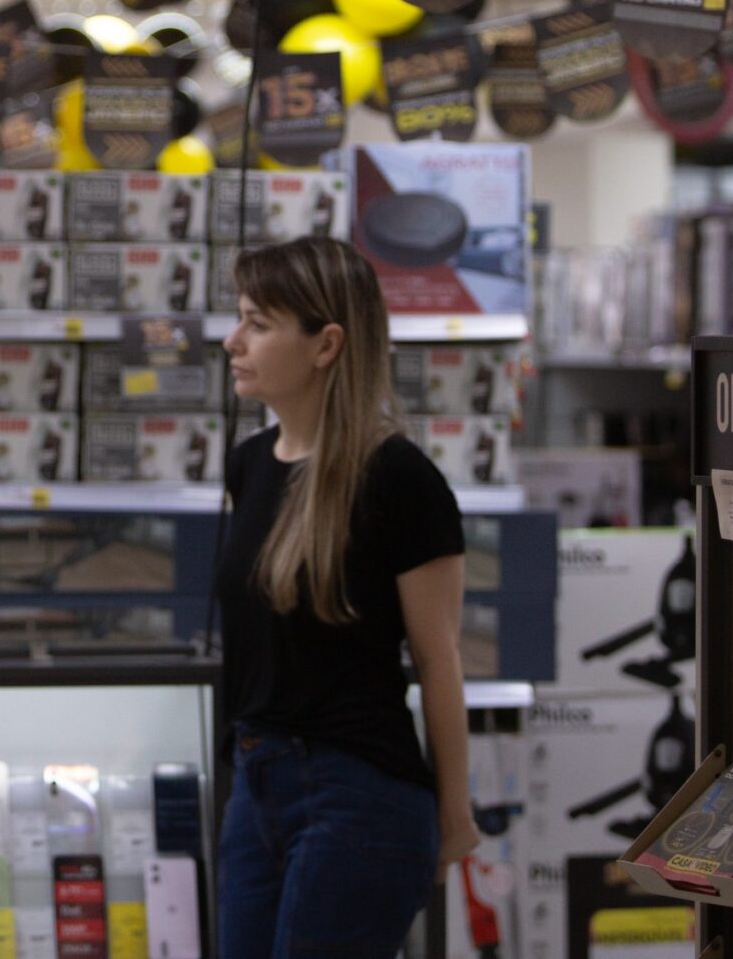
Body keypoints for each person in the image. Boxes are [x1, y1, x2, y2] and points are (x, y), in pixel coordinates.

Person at [217, 235, 477, 958]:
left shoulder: (399, 479)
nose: (234, 341)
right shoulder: (248, 466)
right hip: (255, 784)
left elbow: (439, 660)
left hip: (356, 794)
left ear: (326, 343)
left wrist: (454, 817)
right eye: (240, 318)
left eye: (258, 324)